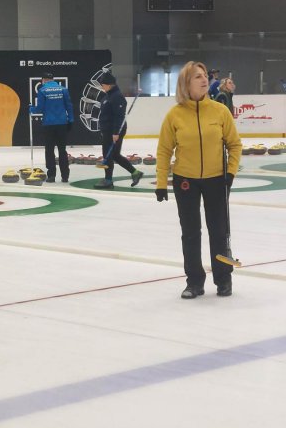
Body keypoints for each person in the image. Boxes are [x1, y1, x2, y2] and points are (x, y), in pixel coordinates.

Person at [155, 61, 242, 299]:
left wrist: (230, 173)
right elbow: (164, 151)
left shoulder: (219, 111)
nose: (204, 80)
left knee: (219, 231)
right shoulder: (174, 115)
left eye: (204, 76)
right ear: (186, 84)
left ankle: (224, 279)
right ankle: (194, 282)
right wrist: (161, 183)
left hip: (217, 180)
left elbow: (234, 145)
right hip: (186, 181)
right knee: (191, 233)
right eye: (197, 77)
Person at [93, 72, 143, 189]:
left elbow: (119, 116)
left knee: (108, 156)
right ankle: (135, 173)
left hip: (114, 131)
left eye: (103, 85)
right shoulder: (108, 95)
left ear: (109, 84)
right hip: (107, 131)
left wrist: (116, 133)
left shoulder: (117, 97)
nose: (102, 87)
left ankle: (108, 180)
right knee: (113, 155)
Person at [29, 72, 73, 182]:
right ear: (53, 79)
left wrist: (31, 109)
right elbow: (69, 106)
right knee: (62, 150)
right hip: (62, 123)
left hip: (49, 124)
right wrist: (71, 119)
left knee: (49, 150)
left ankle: (51, 175)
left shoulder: (42, 90)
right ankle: (65, 176)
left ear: (43, 80)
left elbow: (39, 109)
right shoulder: (63, 89)